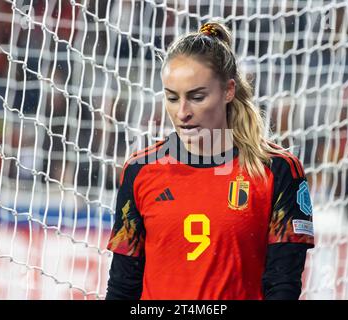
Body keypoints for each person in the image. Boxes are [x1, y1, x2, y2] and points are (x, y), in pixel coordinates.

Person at [105, 20, 314, 300]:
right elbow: (122, 286)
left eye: (197, 97)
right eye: (172, 98)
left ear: (228, 91)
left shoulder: (277, 170)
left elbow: (283, 285)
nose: (182, 112)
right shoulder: (140, 170)